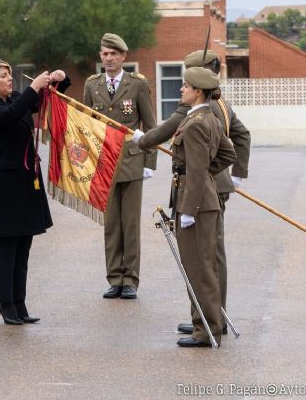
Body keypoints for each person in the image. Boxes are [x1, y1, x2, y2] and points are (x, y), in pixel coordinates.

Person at [133, 50, 251, 335]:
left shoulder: (196, 114)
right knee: (210, 257)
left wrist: (142, 141)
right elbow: (235, 143)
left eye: (187, 79)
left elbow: (168, 133)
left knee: (203, 260)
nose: (181, 87)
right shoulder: (219, 106)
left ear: (199, 86)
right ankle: (210, 316)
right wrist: (233, 174)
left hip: (198, 193)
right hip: (211, 186)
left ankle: (208, 320)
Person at [0, 58, 69, 325]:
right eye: (3, 76)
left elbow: (41, 102)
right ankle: (5, 303)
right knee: (5, 245)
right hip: (2, 185)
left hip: (26, 180)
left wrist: (56, 81)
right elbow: (11, 115)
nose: (9, 79)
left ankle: (19, 301)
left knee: (24, 245)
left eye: (8, 74)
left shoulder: (16, 98)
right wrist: (34, 87)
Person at [83, 33, 157, 300]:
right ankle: (115, 277)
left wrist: (150, 162)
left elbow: (150, 125)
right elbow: (87, 126)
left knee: (130, 224)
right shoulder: (92, 85)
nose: (109, 59)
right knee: (111, 224)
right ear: (100, 57)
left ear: (123, 57)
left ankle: (131, 280)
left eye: (114, 54)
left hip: (132, 160)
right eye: (105, 54)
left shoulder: (136, 84)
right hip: (105, 162)